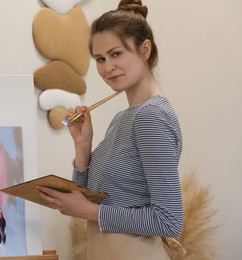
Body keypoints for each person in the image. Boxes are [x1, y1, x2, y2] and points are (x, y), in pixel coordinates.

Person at [35, 0, 184, 259]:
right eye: (100, 59)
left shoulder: (152, 117)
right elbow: (94, 199)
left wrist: (90, 212)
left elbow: (168, 221)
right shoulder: (121, 119)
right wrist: (83, 148)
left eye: (116, 54)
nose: (107, 67)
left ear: (145, 50)